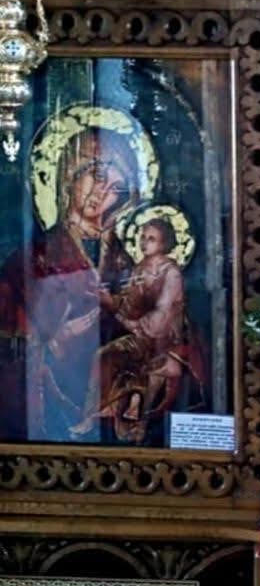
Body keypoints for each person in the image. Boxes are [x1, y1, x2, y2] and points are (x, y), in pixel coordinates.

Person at [0, 126, 139, 441]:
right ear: (69, 174)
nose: (103, 192)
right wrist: (55, 342)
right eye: (97, 175)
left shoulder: (126, 262)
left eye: (117, 188)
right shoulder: (29, 261)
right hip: (46, 420)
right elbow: (12, 350)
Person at [70, 216, 201, 443]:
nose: (144, 242)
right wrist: (108, 300)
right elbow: (127, 305)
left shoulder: (171, 273)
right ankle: (90, 417)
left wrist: (130, 322)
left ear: (165, 242)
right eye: (142, 237)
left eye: (151, 239)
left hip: (166, 341)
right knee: (102, 356)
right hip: (140, 337)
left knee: (146, 368)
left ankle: (139, 421)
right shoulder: (140, 268)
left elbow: (163, 312)